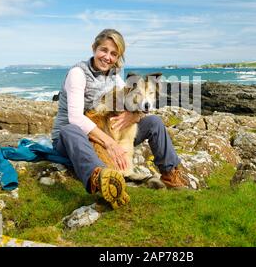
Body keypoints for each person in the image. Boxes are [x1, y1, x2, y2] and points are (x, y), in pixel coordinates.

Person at [51, 29, 187, 209]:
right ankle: (101, 178)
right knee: (70, 129)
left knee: (154, 122)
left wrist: (135, 115)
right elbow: (75, 118)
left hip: (106, 132)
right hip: (73, 139)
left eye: (113, 54)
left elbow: (134, 99)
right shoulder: (78, 73)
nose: (107, 57)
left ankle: (171, 176)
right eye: (104, 50)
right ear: (94, 48)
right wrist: (110, 144)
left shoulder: (114, 76)